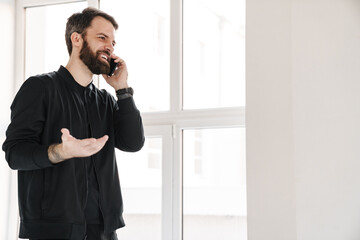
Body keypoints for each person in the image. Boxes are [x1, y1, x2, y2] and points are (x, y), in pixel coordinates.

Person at [2, 7, 145, 240]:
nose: (109, 46)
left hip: (104, 229)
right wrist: (60, 151)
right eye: (102, 37)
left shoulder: (105, 100)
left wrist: (123, 90)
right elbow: (15, 154)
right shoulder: (40, 88)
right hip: (53, 229)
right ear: (76, 39)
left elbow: (133, 143)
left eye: (113, 42)